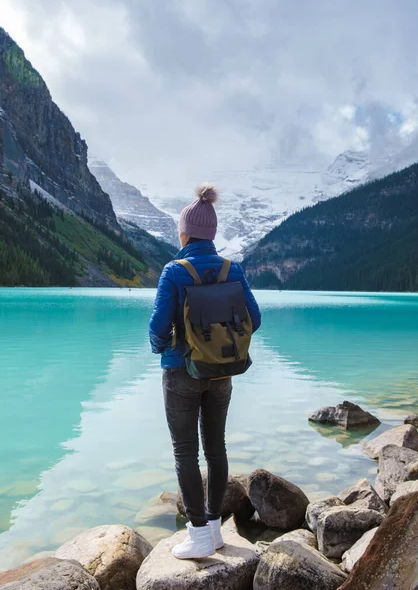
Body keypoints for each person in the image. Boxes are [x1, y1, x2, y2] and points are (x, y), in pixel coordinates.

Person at [149, 184, 261, 559]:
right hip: (222, 373)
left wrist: (160, 347)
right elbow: (254, 319)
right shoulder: (233, 269)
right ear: (211, 234)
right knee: (216, 448)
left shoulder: (174, 270)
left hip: (181, 372)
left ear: (185, 232)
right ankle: (214, 529)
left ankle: (197, 534)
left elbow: (158, 326)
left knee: (185, 452)